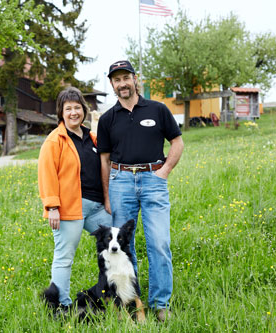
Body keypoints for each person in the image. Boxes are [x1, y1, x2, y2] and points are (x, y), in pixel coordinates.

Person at [97, 60, 184, 321]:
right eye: (116, 79)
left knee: (159, 243)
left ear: (136, 79)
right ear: (111, 84)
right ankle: (131, 301)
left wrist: (164, 172)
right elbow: (104, 159)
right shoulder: (107, 119)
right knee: (124, 247)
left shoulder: (158, 110)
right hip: (120, 181)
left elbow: (177, 142)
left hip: (153, 180)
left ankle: (160, 304)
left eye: (126, 77)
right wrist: (106, 195)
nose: (122, 83)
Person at [38, 86, 112, 308]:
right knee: (64, 257)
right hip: (70, 207)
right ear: (61, 112)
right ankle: (61, 305)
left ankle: (110, 294)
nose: (73, 113)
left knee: (115, 244)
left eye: (77, 108)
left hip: (97, 207)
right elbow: (46, 173)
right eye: (68, 108)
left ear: (84, 110)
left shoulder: (92, 138)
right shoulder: (55, 141)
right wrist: (52, 206)